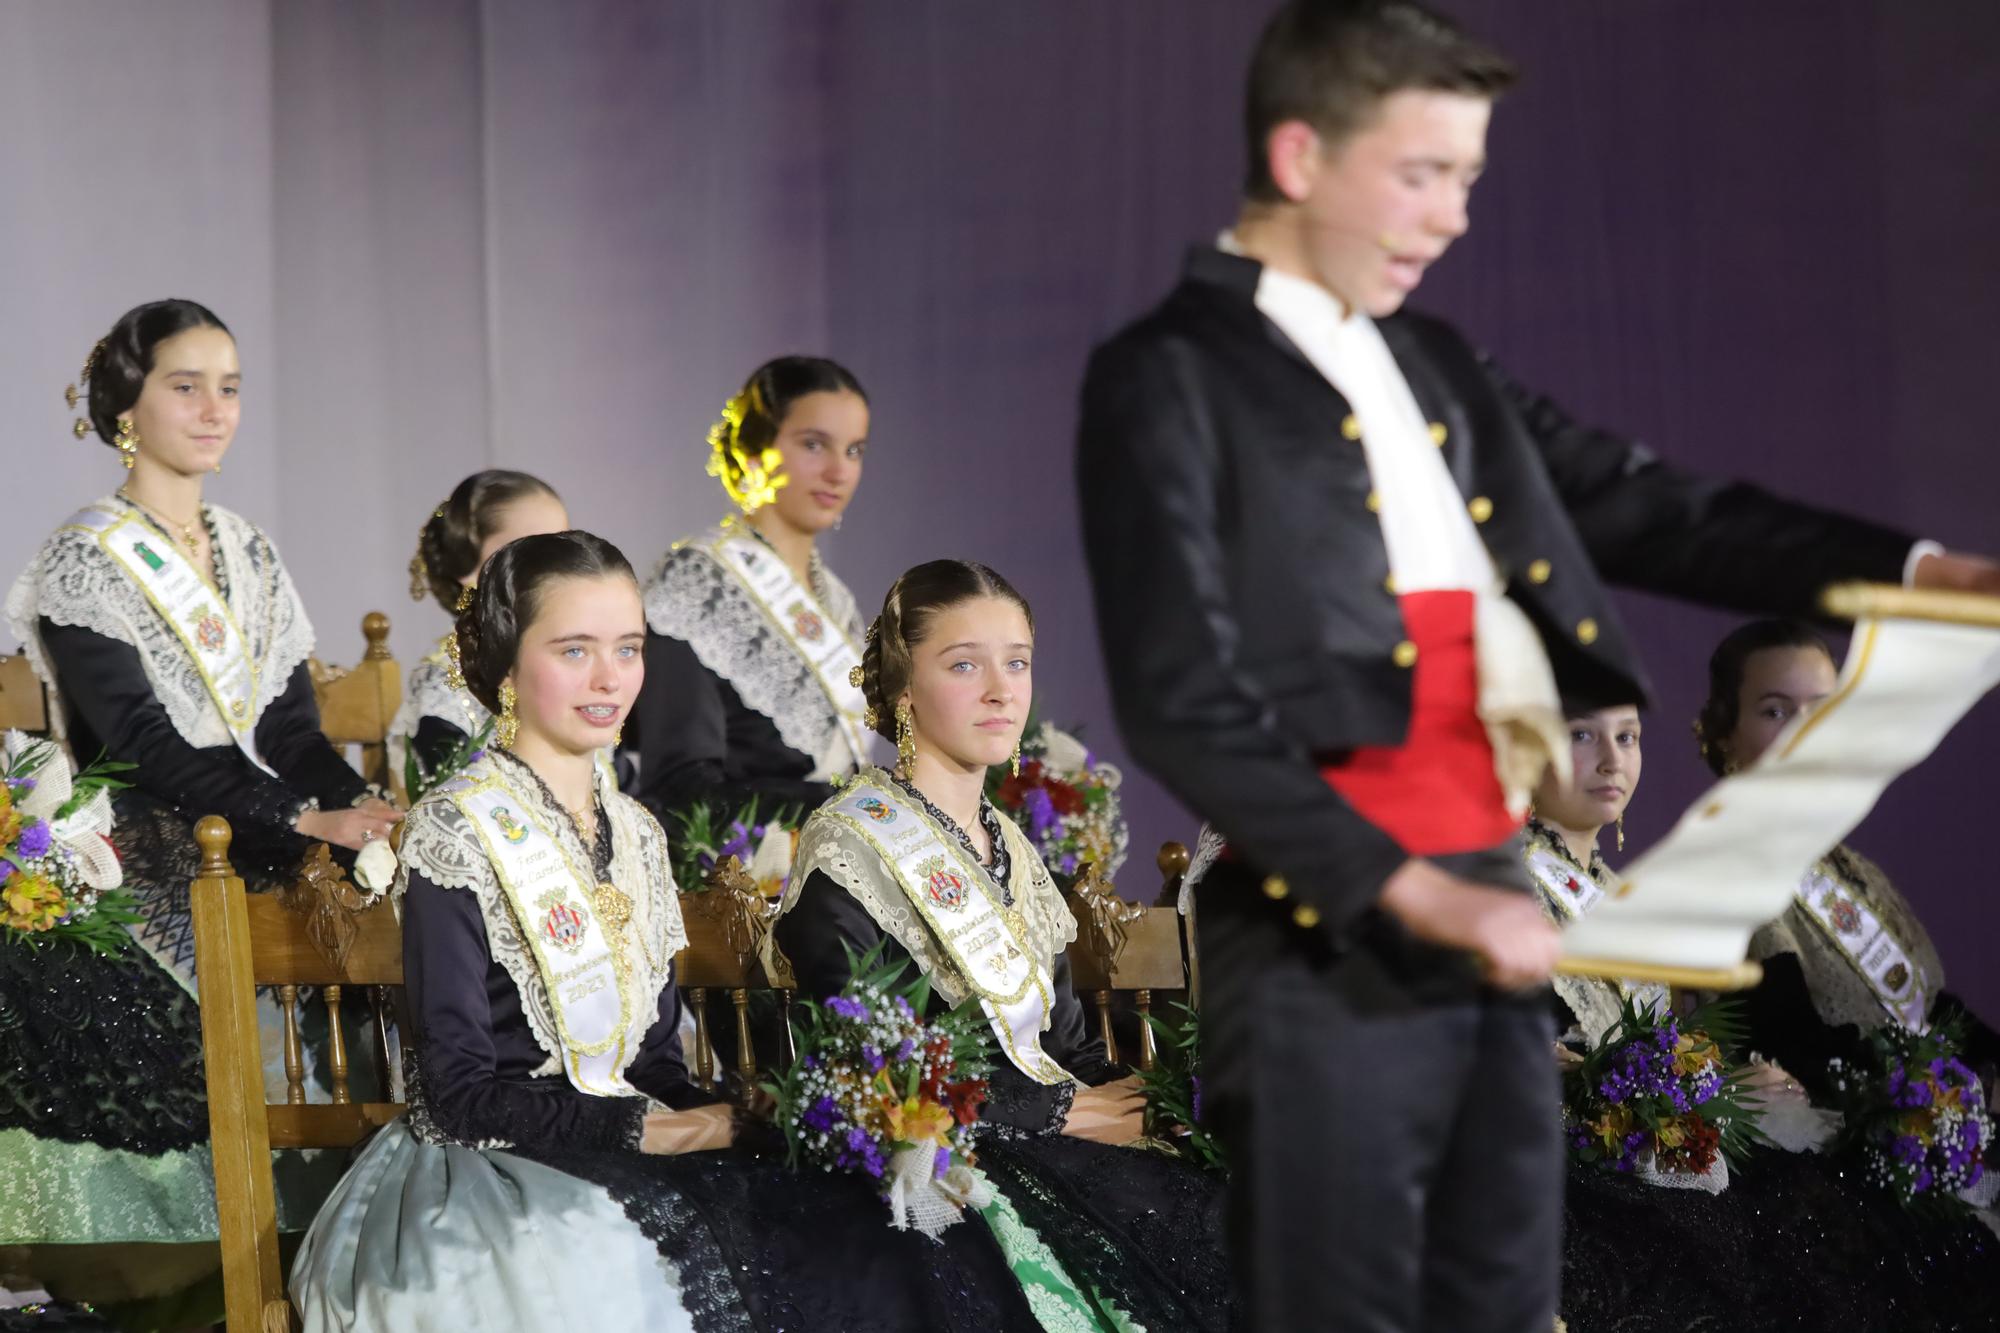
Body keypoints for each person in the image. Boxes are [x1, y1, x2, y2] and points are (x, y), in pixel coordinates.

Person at [1073, 4, 2000, 1328]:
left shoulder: (1435, 363)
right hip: (1323, 935)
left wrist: (1920, 572)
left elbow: (1652, 505)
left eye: (1469, 178)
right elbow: (1180, 698)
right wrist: (1414, 892)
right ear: (1298, 157)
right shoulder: (1166, 376)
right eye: (1422, 172)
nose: (1453, 215)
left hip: (1491, 913)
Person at [2, 300, 397, 1313]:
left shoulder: (249, 550)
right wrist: (306, 824)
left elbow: (298, 737)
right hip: (149, 836)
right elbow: (141, 749)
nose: (216, 408)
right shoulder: (84, 560)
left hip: (258, 819)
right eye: (187, 385)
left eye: (229, 386)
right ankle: (210, 1268)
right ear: (126, 410)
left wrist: (369, 811)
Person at [774, 559, 1234, 1332]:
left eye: (1016, 662)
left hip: (1057, 1142)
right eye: (965, 664)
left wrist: (1150, 1112)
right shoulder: (851, 845)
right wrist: (1070, 1113)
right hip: (952, 1168)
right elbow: (880, 1074)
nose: (1002, 689)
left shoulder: (1012, 849)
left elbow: (1070, 1049)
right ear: (902, 689)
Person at [1693, 619, 1998, 1094]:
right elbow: (1788, 1041)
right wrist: (1938, 1091)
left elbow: (1926, 1007)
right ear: (1726, 732)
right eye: (1776, 712)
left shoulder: (1853, 871)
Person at [627, 356, 874, 830]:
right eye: (814, 445)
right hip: (738, 882)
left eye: (854, 451)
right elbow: (682, 793)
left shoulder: (837, 603)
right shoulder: (698, 587)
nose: (839, 472)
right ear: (756, 449)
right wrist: (837, 808)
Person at [391, 470, 569, 783]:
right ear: (469, 569)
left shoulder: (575, 665)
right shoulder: (445, 685)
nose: (558, 570)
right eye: (532, 552)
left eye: (566, 549)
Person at [1522, 701, 1666, 1043]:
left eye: (1626, 737)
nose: (1613, 761)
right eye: (1582, 735)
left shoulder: (1617, 893)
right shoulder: (1500, 883)